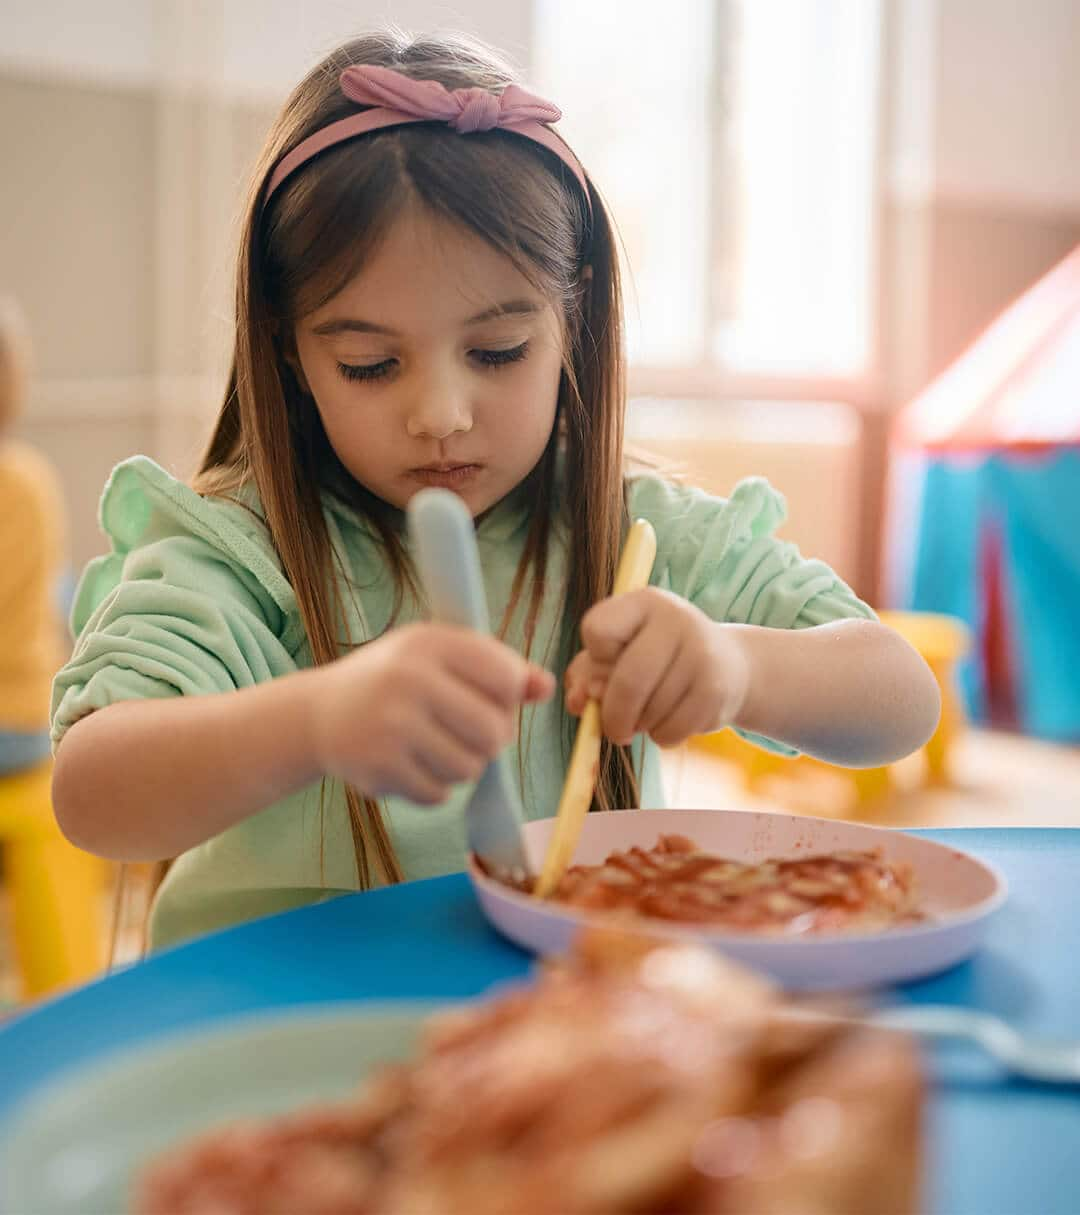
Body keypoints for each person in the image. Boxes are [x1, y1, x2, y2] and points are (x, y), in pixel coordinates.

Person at [50, 31, 940, 951]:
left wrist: (738, 667)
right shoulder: (239, 548)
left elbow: (899, 698)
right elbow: (92, 793)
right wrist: (313, 722)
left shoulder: (636, 533)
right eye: (369, 363)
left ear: (572, 319)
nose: (439, 413)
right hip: (274, 1033)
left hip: (550, 1015)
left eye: (497, 352)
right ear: (288, 348)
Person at [0, 298, 66, 777]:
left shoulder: (20, 485)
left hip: (13, 719)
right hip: (33, 711)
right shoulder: (31, 479)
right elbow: (59, 589)